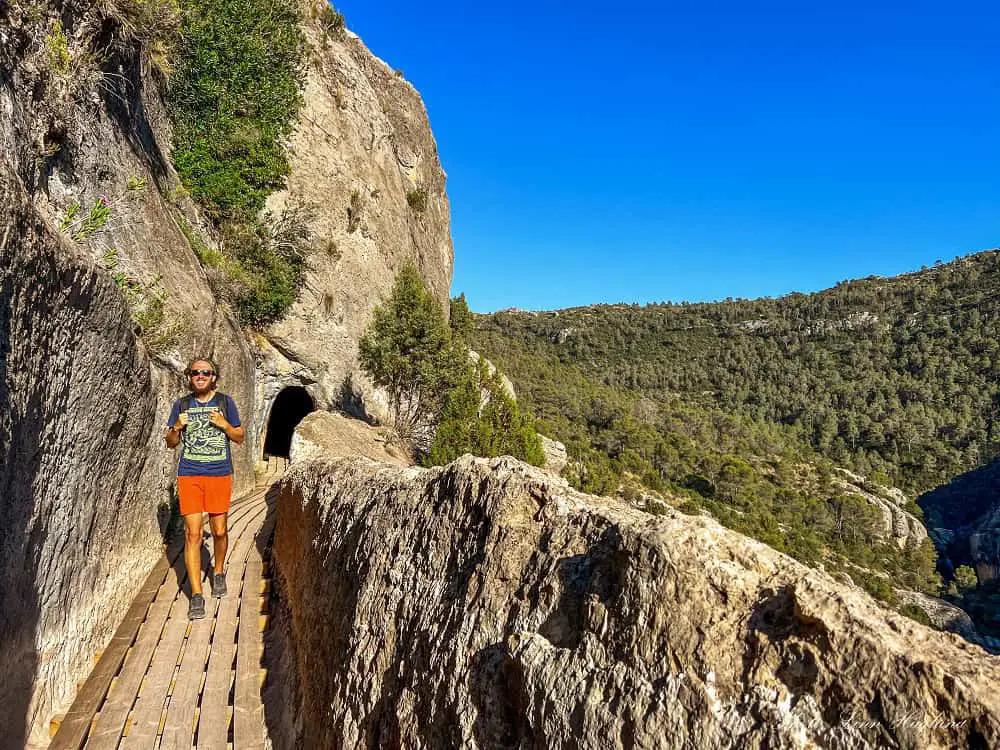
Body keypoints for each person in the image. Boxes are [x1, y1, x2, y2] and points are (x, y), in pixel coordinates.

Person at [165, 358, 245, 620]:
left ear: (213, 377)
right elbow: (170, 443)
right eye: (195, 372)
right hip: (189, 475)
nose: (200, 376)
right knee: (192, 534)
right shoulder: (182, 405)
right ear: (190, 377)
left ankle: (218, 570)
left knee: (219, 531)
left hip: (219, 474)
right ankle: (196, 595)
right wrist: (176, 428)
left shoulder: (225, 403)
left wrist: (224, 425)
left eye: (205, 372)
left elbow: (240, 436)